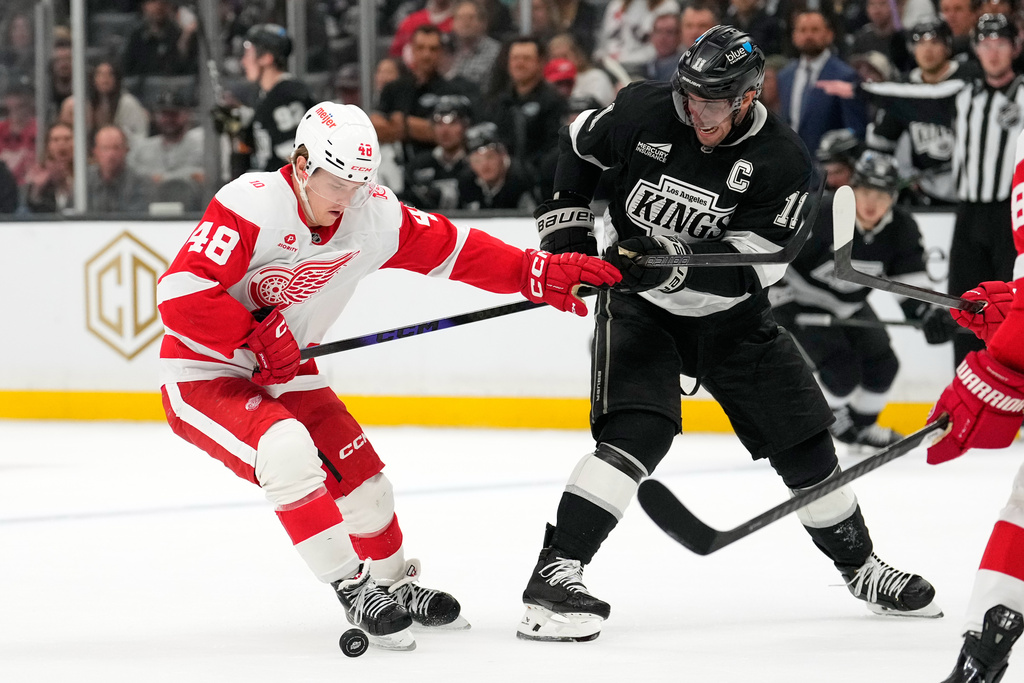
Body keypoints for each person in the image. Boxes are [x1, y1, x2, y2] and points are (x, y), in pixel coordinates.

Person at [516, 25, 941, 644]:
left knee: (806, 445)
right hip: (640, 310)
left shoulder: (784, 163)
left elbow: (751, 270)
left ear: (747, 96)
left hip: (733, 321)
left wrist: (674, 263)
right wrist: (568, 238)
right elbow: (578, 145)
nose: (696, 113)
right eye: (689, 97)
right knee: (637, 433)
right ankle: (555, 573)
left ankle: (860, 568)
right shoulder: (646, 108)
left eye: (712, 102)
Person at [156, 101, 620, 651]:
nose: (347, 199)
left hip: (286, 367)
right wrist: (255, 334)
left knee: (369, 489)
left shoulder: (370, 215)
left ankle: (394, 584)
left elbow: (455, 250)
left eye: (359, 183)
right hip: (205, 372)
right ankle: (352, 587)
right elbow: (179, 295)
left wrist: (533, 272)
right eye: (336, 184)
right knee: (286, 451)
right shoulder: (252, 204)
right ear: (302, 165)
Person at [818, 13, 1024, 367]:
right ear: (975, 49)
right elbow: (910, 97)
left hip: (1009, 216)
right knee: (965, 305)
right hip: (968, 215)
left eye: (1001, 44)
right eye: (986, 45)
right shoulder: (962, 92)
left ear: (1014, 48)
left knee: (1013, 308)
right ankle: (966, 382)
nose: (993, 53)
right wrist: (861, 89)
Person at [772, 151, 945, 454]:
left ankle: (861, 428)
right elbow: (773, 254)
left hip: (848, 304)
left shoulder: (901, 228)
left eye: (882, 195)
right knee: (841, 374)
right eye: (866, 192)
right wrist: (771, 298)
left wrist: (928, 313)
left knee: (884, 367)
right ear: (852, 188)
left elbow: (910, 284)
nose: (871, 204)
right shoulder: (820, 213)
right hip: (797, 300)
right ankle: (814, 424)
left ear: (893, 197)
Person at [863, 18, 964, 207]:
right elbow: (881, 143)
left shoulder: (969, 79)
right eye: (920, 43)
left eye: (935, 43)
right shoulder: (904, 89)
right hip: (928, 193)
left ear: (948, 47)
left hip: (975, 190)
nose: (927, 50)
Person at [216, 24, 315, 175]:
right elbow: (264, 144)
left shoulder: (287, 96)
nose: (243, 61)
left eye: (248, 53)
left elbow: (295, 160)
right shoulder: (267, 95)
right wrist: (239, 127)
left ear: (266, 58)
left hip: (285, 194)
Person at [778, 10, 868, 157]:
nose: (808, 36)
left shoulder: (844, 76)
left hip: (828, 167)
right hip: (793, 164)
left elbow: (856, 129)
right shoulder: (785, 76)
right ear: (794, 36)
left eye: (815, 30)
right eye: (802, 30)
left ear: (829, 34)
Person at [400, 94, 471, 210]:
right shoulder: (418, 164)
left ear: (466, 126)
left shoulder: (477, 165)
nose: (445, 131)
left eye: (452, 123)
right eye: (439, 123)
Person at [457, 121, 539, 209]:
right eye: (477, 160)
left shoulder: (523, 178)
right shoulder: (466, 181)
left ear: (502, 154)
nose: (484, 165)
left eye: (490, 157)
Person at [87, 125, 155, 213]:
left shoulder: (141, 182)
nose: (111, 154)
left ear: (126, 150)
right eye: (105, 148)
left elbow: (141, 218)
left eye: (116, 148)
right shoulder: (85, 181)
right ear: (95, 152)